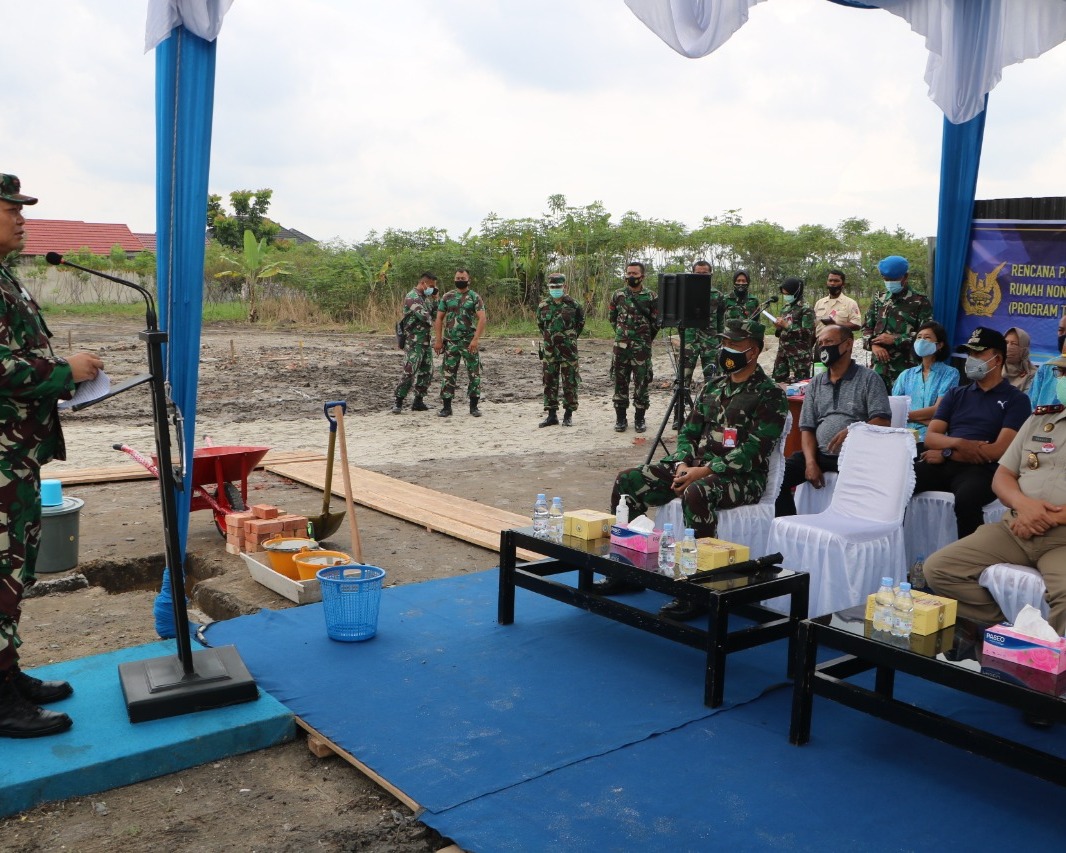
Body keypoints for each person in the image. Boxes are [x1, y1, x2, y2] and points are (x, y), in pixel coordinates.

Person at [0, 174, 105, 738]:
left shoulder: (4, 278)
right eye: (10, 209)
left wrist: (67, 374)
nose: (21, 219)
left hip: (13, 456)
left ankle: (7, 674)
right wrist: (66, 371)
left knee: (12, 569)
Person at [603, 319, 787, 620]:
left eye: (734, 345)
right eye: (724, 343)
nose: (725, 350)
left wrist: (702, 472)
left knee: (697, 491)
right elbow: (688, 432)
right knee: (629, 481)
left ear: (753, 350)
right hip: (695, 467)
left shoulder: (769, 394)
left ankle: (698, 590)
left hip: (741, 477)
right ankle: (626, 568)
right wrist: (682, 463)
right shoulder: (713, 386)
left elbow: (755, 451)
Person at [923, 352, 1066, 635]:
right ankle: (1011, 630)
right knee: (938, 570)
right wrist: (1022, 505)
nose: (1060, 380)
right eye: (1061, 374)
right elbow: (1003, 475)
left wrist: (1047, 517)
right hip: (1015, 527)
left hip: (1061, 540)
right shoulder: (1041, 421)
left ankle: (1049, 661)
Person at [913, 327, 1030, 539]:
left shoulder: (1017, 400)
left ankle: (969, 563)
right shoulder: (956, 394)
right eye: (970, 354)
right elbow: (931, 438)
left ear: (997, 359)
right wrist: (959, 444)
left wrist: (947, 452)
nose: (971, 359)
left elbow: (997, 450)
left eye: (978, 354)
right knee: (903, 483)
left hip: (984, 470)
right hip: (944, 463)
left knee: (968, 499)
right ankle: (905, 556)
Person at [775, 326, 891, 516]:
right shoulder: (815, 383)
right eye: (820, 343)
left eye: (829, 342)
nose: (823, 348)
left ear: (848, 344)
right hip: (820, 454)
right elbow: (807, 428)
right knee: (778, 478)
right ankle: (791, 528)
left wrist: (854, 430)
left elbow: (883, 421)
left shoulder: (870, 379)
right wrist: (811, 462)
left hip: (855, 457)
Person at [862, 255, 933, 391]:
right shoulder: (879, 299)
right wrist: (872, 345)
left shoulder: (920, 302)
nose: (889, 283)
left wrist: (895, 339)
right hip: (879, 369)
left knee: (903, 408)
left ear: (905, 277)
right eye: (886, 279)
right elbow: (866, 327)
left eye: (893, 280)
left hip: (906, 369)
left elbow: (927, 337)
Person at [609, 261, 659, 433]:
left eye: (635, 274)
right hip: (621, 347)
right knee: (620, 382)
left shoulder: (651, 296)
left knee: (642, 383)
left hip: (642, 349)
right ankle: (621, 419)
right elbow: (612, 318)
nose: (631, 276)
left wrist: (644, 338)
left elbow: (656, 322)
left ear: (642, 276)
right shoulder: (618, 295)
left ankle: (640, 419)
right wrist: (622, 334)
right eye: (629, 273)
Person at [891, 320, 960, 442]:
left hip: (932, 439)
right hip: (903, 437)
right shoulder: (906, 375)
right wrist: (925, 419)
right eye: (919, 337)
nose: (921, 341)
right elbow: (894, 409)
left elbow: (938, 409)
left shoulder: (950, 373)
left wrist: (906, 415)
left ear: (940, 345)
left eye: (927, 337)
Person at [433, 268, 487, 418]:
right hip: (450, 342)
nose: (460, 280)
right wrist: (438, 340)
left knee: (474, 374)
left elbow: (482, 318)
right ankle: (446, 407)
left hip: (469, 342)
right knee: (448, 374)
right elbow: (439, 319)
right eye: (458, 277)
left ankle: (474, 407)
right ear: (454, 279)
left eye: (463, 278)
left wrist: (476, 339)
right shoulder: (447, 297)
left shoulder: (474, 297)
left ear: (469, 280)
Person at [536, 273, 584, 427]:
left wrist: (567, 338)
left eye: (558, 287)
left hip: (568, 352)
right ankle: (551, 415)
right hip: (550, 351)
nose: (555, 289)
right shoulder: (543, 306)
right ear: (548, 287)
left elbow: (580, 325)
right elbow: (541, 326)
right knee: (549, 382)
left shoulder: (574, 305)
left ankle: (568, 415)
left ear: (565, 287)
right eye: (552, 287)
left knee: (569, 382)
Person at [391, 272, 438, 414]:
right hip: (414, 341)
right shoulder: (412, 297)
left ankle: (419, 401)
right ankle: (398, 400)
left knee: (427, 371)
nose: (433, 289)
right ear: (423, 283)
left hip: (425, 341)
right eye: (431, 286)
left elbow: (435, 315)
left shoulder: (426, 298)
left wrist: (436, 300)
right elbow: (425, 317)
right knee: (410, 371)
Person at [679, 260, 722, 390]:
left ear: (711, 274)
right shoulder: (684, 294)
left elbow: (721, 321)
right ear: (692, 274)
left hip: (710, 342)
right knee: (683, 378)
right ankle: (681, 405)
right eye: (698, 273)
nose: (701, 276)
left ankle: (710, 406)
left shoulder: (717, 296)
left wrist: (719, 340)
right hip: (689, 341)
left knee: (713, 379)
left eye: (705, 273)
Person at [771, 277, 814, 383]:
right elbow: (782, 331)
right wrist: (779, 327)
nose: (786, 296)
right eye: (784, 294)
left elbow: (807, 332)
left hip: (799, 354)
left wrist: (787, 326)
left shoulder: (806, 309)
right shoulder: (785, 308)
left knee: (801, 383)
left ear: (796, 292)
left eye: (788, 294)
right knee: (778, 381)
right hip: (783, 352)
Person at [1003, 326, 1037, 395]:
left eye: (1014, 344)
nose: (1008, 347)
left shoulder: (1034, 376)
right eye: (1006, 342)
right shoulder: (994, 370)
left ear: (1024, 349)